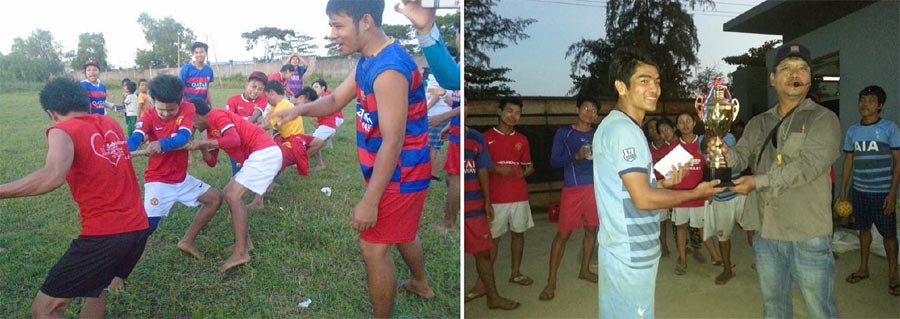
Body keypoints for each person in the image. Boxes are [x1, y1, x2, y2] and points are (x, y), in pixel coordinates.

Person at [266, 1, 434, 316]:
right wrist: (298, 109)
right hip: (396, 171)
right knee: (403, 231)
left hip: (401, 174)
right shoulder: (367, 61)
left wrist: (370, 201)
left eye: (338, 25)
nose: (332, 34)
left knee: (372, 247)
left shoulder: (389, 69)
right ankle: (420, 283)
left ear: (365, 21)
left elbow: (393, 140)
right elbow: (333, 101)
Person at [0, 78, 149, 319]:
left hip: (105, 236)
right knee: (95, 288)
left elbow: (52, 176)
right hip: (138, 229)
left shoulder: (62, 130)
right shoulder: (110, 123)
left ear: (51, 113)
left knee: (44, 310)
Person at [593, 49, 723, 317]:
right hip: (630, 251)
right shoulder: (624, 131)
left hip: (622, 247)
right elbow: (642, 199)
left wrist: (662, 185)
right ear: (621, 86)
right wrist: (694, 192)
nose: (655, 88)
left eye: (657, 81)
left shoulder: (623, 127)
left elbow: (629, 191)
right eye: (644, 80)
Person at [718, 43, 840, 317]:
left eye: (801, 69)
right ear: (772, 78)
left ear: (809, 78)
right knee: (774, 306)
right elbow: (741, 156)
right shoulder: (758, 122)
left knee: (820, 309)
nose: (794, 74)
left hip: (808, 232)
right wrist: (722, 152)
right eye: (786, 68)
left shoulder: (824, 119)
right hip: (766, 230)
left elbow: (807, 167)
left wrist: (757, 182)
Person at [126, 74, 223, 259]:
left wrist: (161, 144)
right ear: (154, 102)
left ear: (180, 101)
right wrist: (126, 148)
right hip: (159, 181)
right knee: (146, 228)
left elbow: (183, 137)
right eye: (160, 109)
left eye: (170, 110)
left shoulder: (188, 108)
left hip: (181, 179)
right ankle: (116, 271)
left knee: (215, 199)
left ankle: (186, 241)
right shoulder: (148, 115)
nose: (164, 113)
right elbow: (136, 137)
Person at [189, 98, 282, 273]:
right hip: (258, 154)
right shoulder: (210, 132)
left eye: (191, 121)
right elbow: (212, 162)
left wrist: (204, 143)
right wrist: (202, 148)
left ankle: (241, 253)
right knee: (228, 193)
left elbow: (233, 140)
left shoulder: (217, 115)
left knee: (233, 195)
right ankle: (246, 244)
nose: (191, 126)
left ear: (196, 115)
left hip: (264, 152)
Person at [839, 85, 900, 296]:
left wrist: (892, 195)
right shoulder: (853, 131)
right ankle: (863, 268)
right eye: (862, 100)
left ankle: (893, 274)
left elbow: (898, 163)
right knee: (863, 230)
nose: (864, 104)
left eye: (871, 100)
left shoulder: (890, 129)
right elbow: (848, 161)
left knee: (889, 236)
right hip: (860, 192)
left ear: (880, 105)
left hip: (883, 193)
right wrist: (842, 192)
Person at [539, 96, 600, 301]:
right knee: (563, 234)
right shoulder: (564, 133)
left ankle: (584, 269)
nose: (588, 112)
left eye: (593, 110)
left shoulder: (599, 134)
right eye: (585, 108)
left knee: (592, 230)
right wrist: (575, 156)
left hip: (595, 189)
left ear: (596, 115)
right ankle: (551, 282)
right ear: (577, 109)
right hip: (573, 189)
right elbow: (554, 161)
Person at [463, 125, 520, 310]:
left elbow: (482, 170)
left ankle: (492, 297)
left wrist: (487, 201)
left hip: (474, 204)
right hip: (457, 204)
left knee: (483, 253)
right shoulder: (451, 134)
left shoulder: (475, 137)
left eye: (465, 103)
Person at [481, 97, 535, 287]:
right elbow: (479, 168)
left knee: (518, 234)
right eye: (510, 111)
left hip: (519, 195)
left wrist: (528, 170)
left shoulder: (522, 140)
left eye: (518, 113)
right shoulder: (485, 138)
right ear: (499, 111)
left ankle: (516, 273)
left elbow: (528, 164)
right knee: (493, 239)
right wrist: (496, 169)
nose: (514, 116)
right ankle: (485, 281)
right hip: (496, 197)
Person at [672, 112, 722, 275]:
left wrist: (710, 190)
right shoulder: (674, 146)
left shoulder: (702, 143)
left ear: (694, 123)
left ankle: (715, 256)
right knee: (681, 227)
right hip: (680, 195)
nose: (685, 124)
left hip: (699, 194)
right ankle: (682, 259)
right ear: (677, 126)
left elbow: (711, 167)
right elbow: (668, 173)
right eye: (681, 121)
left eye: (688, 121)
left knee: (702, 227)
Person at [223, 71, 269, 176]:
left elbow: (254, 116)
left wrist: (245, 122)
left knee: (255, 164)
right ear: (246, 84)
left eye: (260, 89)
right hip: (236, 140)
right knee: (238, 169)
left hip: (252, 139)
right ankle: (235, 187)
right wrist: (252, 124)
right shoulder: (232, 100)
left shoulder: (262, 99)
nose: (255, 91)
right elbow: (229, 122)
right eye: (253, 86)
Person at [651, 117, 678, 257]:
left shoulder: (672, 146)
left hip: (673, 187)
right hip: (655, 187)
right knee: (659, 218)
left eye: (660, 129)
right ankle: (661, 244)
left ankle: (678, 246)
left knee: (673, 219)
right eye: (652, 129)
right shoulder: (647, 147)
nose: (656, 131)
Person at [306, 79, 341, 171]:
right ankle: (317, 160)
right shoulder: (321, 97)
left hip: (328, 126)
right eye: (313, 87)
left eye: (316, 87)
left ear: (323, 88)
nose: (314, 89)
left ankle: (302, 162)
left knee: (314, 142)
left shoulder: (325, 97)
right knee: (313, 139)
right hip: (327, 126)